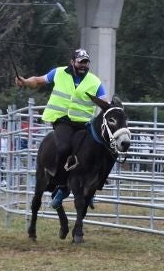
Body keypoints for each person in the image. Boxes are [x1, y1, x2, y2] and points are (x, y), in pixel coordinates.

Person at [15, 48, 110, 208]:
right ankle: (61, 186)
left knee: (101, 149)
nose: (83, 66)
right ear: (72, 62)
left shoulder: (95, 82)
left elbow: (104, 102)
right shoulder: (58, 73)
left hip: (83, 124)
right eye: (80, 62)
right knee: (65, 147)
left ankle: (93, 188)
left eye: (86, 63)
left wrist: (111, 109)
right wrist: (24, 82)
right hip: (62, 121)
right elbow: (38, 81)